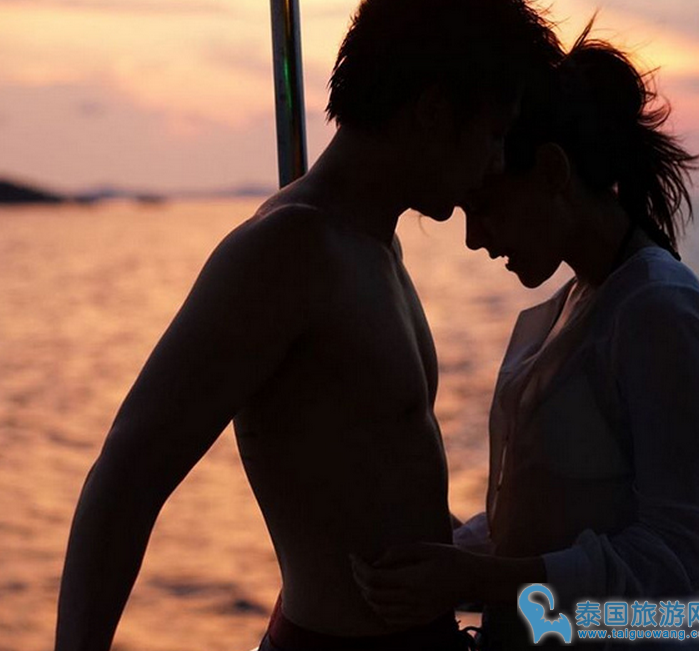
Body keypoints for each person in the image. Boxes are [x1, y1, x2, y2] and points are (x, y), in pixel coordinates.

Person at [54, 1, 561, 650]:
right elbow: (128, 474)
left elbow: (372, 471)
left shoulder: (374, 245)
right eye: (492, 133)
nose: (496, 162)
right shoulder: (288, 251)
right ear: (434, 111)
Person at [352, 22, 699, 650]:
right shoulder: (574, 305)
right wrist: (442, 551)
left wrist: (477, 577)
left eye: (484, 206)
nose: (474, 238)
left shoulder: (659, 310)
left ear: (552, 171)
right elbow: (545, 519)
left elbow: (678, 551)